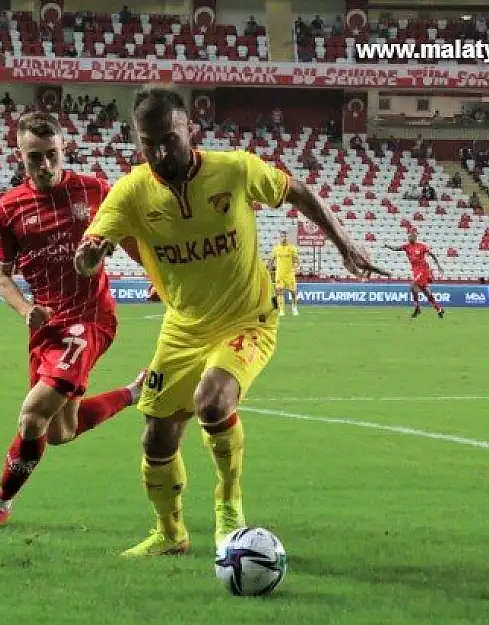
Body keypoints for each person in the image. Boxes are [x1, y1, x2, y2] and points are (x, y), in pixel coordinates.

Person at [74, 86, 387, 556]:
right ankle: (170, 533)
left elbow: (297, 191)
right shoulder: (132, 191)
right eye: (147, 144)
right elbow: (88, 255)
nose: (159, 152)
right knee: (157, 438)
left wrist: (344, 244)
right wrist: (89, 256)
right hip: (184, 327)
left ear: (188, 130)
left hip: (248, 319)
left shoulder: (235, 169)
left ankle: (229, 506)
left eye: (168, 140)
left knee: (212, 401)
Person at [0, 112, 146, 529]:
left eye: (51, 155)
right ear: (20, 157)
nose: (44, 165)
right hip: (47, 327)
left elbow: (133, 239)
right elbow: (1, 278)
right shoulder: (7, 211)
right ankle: (136, 393)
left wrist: (154, 275)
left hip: (90, 319)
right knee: (60, 431)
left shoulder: (96, 190)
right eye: (34, 158)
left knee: (32, 415)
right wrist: (27, 310)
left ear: (64, 149)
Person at [384, 231, 444, 318]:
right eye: (408, 237)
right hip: (415, 271)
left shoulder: (422, 246)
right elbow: (396, 248)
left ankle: (417, 308)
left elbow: (432, 254)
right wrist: (388, 246)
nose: (408, 238)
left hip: (423, 270)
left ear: (414, 238)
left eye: (410, 237)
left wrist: (438, 266)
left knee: (412, 286)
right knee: (425, 292)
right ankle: (439, 309)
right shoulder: (406, 247)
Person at [269, 232, 300, 316]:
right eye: (282, 236)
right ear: (280, 238)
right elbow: (271, 260)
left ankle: (294, 307)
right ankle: (281, 310)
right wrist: (269, 270)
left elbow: (296, 259)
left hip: (290, 274)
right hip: (280, 274)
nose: (284, 238)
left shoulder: (292, 248)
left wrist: (297, 267)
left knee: (293, 292)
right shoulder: (276, 248)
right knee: (279, 291)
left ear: (287, 238)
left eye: (285, 236)